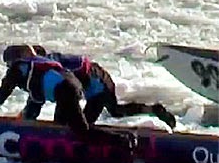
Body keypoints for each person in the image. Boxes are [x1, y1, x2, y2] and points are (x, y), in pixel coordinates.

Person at [27, 45, 176, 129]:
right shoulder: (46, 70)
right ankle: (153, 110)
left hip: (100, 85)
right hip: (95, 86)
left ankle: (154, 110)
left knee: (111, 113)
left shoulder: (54, 63)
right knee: (84, 122)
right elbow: (36, 98)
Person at [0, 46, 95, 132]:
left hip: (65, 91)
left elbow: (2, 93)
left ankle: (104, 143)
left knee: (79, 130)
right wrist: (24, 119)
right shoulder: (38, 66)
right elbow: (35, 102)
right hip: (73, 88)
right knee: (63, 126)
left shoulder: (17, 69)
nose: (8, 67)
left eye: (7, 64)